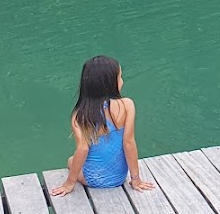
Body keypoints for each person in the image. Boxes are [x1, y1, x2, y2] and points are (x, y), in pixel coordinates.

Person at [51, 55, 154, 195]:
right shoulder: (127, 105)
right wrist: (136, 179)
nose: (122, 81)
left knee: (71, 160)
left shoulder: (79, 115)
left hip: (92, 180)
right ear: (112, 83)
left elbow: (83, 149)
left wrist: (69, 183)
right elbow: (128, 143)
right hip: (119, 178)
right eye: (120, 77)